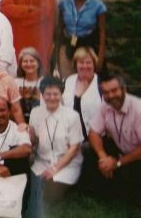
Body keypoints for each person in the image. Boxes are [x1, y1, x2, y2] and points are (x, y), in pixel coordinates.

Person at [85, 74, 141, 202]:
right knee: (88, 148)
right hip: (120, 152)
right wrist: (103, 157)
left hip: (136, 157)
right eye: (105, 92)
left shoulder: (138, 109)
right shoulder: (105, 106)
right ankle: (105, 189)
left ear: (123, 89)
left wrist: (117, 163)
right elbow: (93, 132)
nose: (110, 96)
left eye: (114, 90)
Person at [28, 77, 83, 200]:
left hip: (66, 164)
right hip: (42, 161)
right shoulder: (35, 113)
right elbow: (35, 141)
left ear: (61, 94)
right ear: (42, 94)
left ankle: (61, 186)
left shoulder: (72, 116)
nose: (52, 98)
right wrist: (30, 136)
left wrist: (55, 168)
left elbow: (74, 148)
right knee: (29, 189)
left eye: (55, 94)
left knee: (49, 194)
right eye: (48, 94)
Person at [1, 0, 56, 72]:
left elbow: (45, 12)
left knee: (40, 69)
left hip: (40, 37)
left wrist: (19, 15)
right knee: (19, 70)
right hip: (18, 37)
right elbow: (5, 8)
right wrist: (29, 9)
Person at [57, 0, 106, 79]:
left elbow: (102, 33)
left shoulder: (97, 5)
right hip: (69, 44)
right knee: (67, 79)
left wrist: (100, 57)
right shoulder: (64, 3)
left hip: (88, 44)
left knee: (87, 78)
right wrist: (57, 54)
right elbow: (60, 29)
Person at [62, 46, 103, 142]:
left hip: (97, 139)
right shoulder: (67, 81)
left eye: (88, 62)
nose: (85, 66)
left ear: (94, 64)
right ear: (75, 64)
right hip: (72, 139)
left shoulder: (101, 83)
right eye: (81, 62)